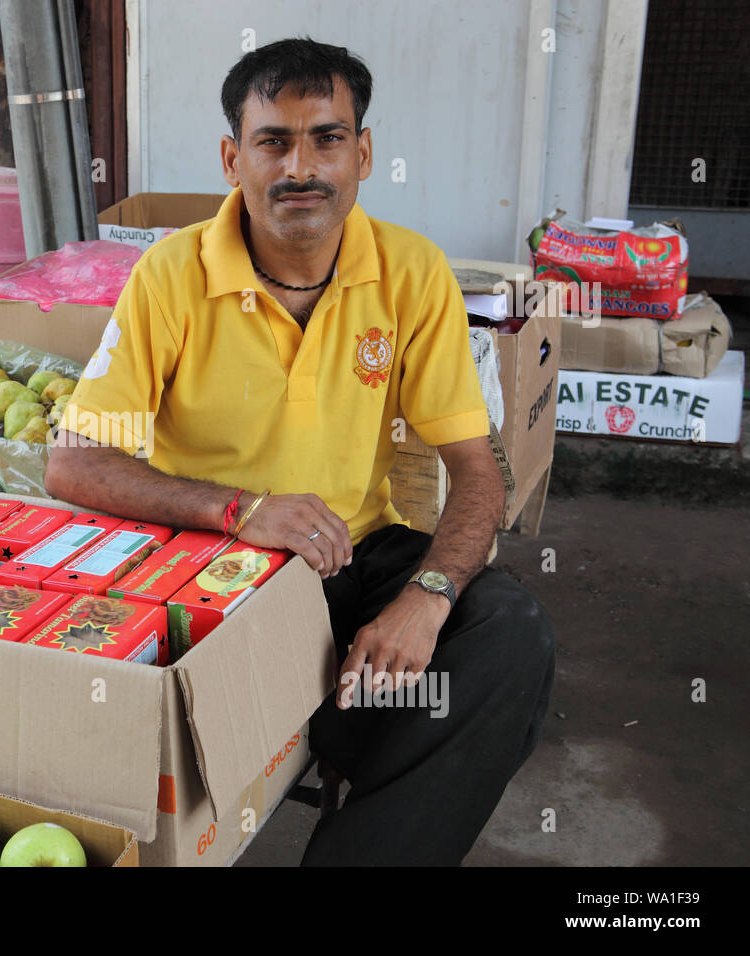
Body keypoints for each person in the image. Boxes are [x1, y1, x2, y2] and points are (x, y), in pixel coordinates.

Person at [44, 37, 555, 866]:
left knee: (509, 635)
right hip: (210, 566)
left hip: (354, 558)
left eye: (326, 138)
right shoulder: (170, 276)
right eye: (273, 141)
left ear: (362, 155)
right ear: (231, 157)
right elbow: (72, 465)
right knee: (400, 723)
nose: (301, 167)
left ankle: (359, 786)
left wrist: (426, 595)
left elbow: (476, 467)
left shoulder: (411, 271)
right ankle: (363, 747)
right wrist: (237, 509)